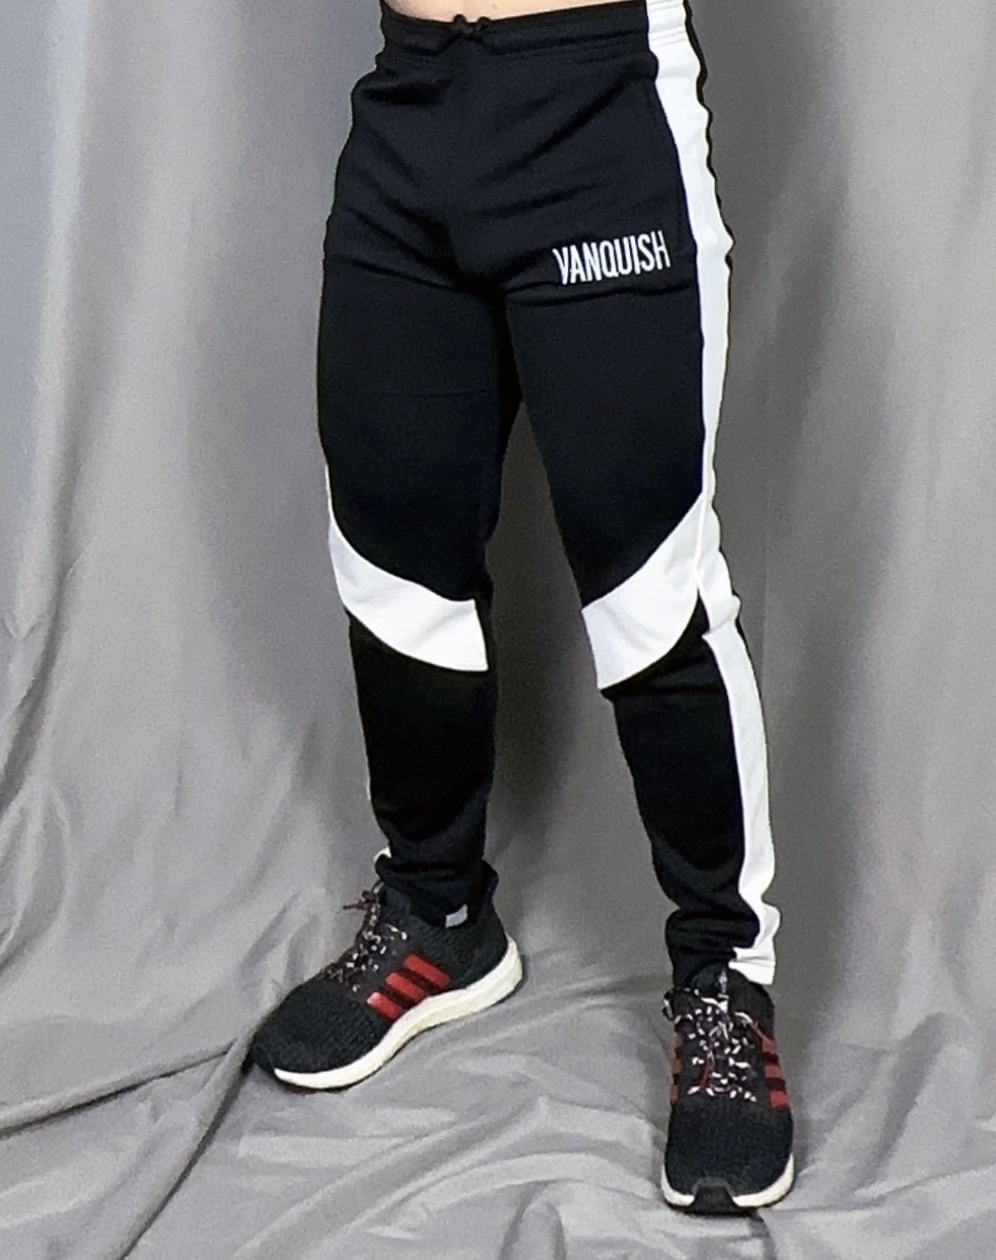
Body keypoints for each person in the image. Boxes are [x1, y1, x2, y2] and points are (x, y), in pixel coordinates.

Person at [248, 0, 795, 1213]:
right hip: (408, 116)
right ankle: (437, 912)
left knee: (647, 587)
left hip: (597, 113)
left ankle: (722, 977)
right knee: (395, 557)